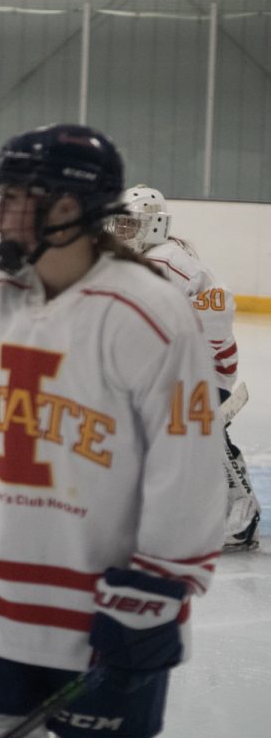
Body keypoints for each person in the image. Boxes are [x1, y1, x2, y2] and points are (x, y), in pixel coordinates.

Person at [0, 124, 225, 738]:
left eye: (16, 195)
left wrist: (158, 586)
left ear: (69, 207)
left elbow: (188, 471)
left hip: (100, 613)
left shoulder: (150, 313)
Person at [107, 185, 259, 551]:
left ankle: (241, 517)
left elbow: (216, 314)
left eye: (131, 224)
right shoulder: (141, 260)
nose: (121, 232)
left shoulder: (169, 260)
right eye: (120, 224)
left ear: (154, 225)